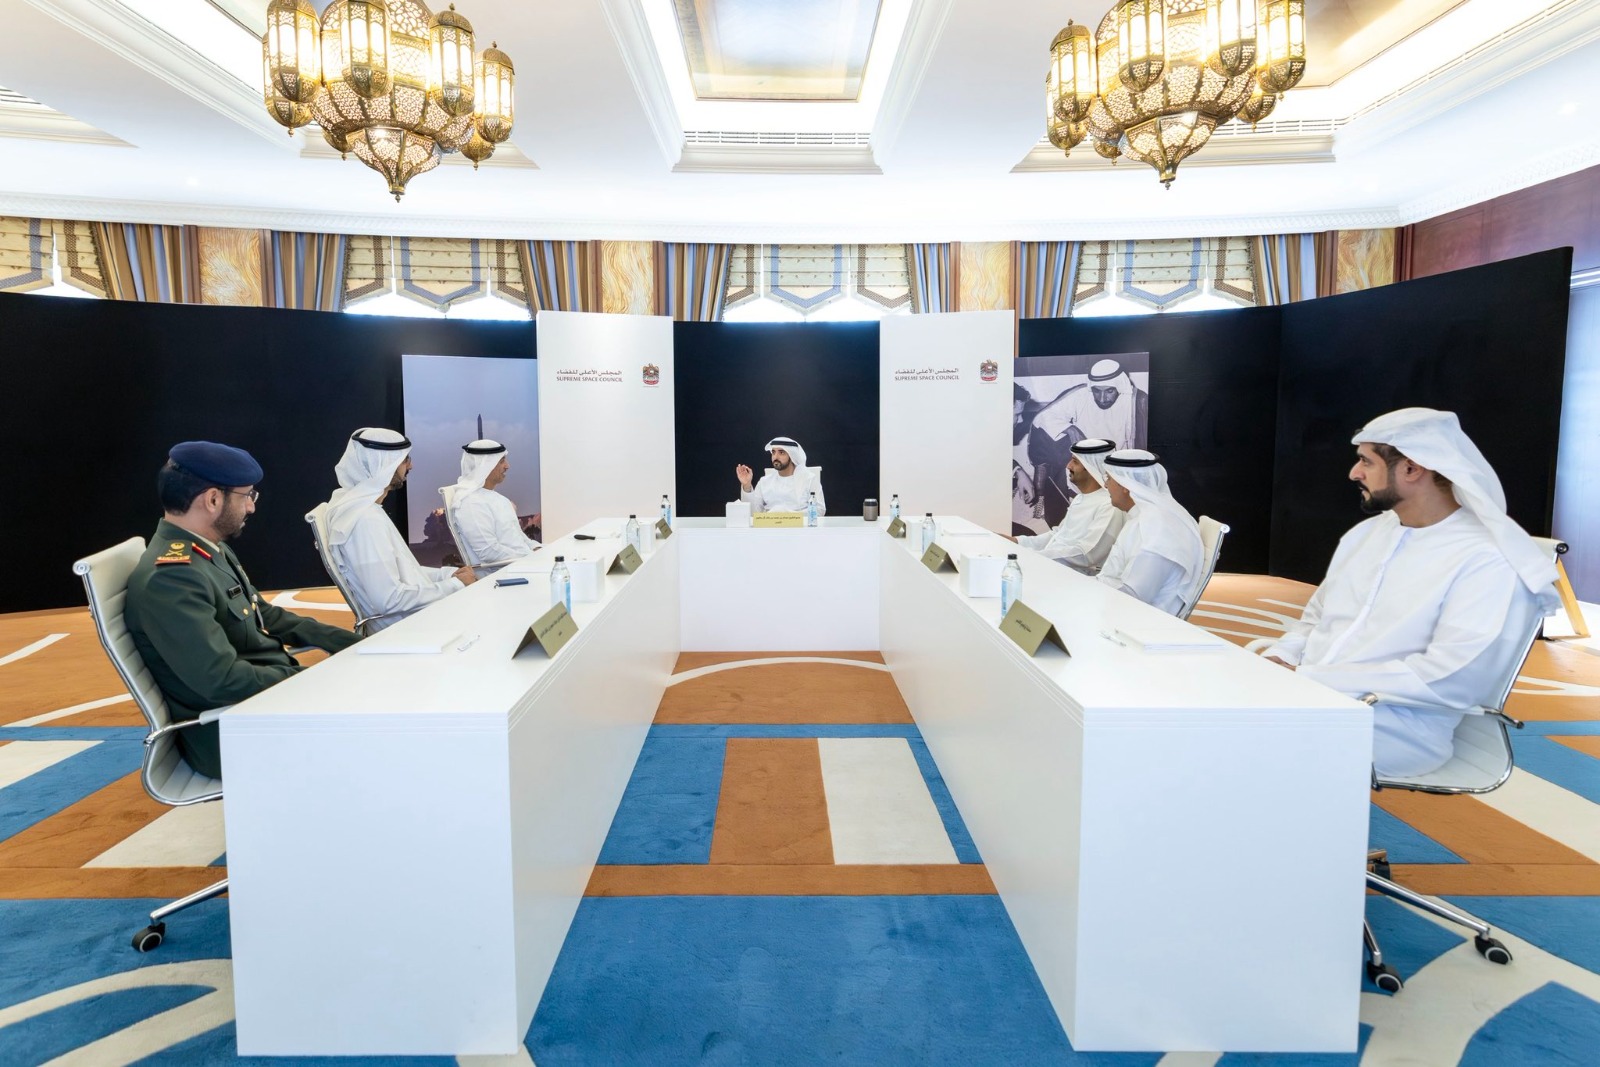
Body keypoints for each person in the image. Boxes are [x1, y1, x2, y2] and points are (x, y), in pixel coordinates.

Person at [1262, 408, 1558, 778]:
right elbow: (1316, 619)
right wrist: (1280, 657)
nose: (1354, 473)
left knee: (1230, 737)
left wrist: (1309, 678)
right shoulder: (1366, 535)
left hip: (1397, 727)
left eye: (1366, 461)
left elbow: (1451, 677)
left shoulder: (1486, 559)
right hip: (1310, 697)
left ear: (1412, 469)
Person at [124, 441, 361, 779]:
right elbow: (222, 680)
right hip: (233, 734)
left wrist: (356, 645)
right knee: (388, 728)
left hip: (259, 708)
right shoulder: (173, 578)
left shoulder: (205, 550)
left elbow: (267, 616)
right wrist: (311, 681)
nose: (251, 507)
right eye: (247, 495)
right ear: (213, 500)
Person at [325, 428, 476, 632]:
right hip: (411, 629)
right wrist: (455, 585)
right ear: (384, 464)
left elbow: (404, 573)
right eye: (405, 460)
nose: (410, 466)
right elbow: (389, 600)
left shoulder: (367, 511)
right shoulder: (365, 521)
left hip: (420, 618)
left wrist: (448, 575)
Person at [1096, 448, 1204, 615]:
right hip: (1117, 605)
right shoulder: (1151, 515)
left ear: (1125, 485)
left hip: (1137, 619)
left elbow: (1133, 595)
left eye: (1108, 478)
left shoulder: (1157, 528)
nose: (1105, 485)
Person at [1002, 438, 1126, 574]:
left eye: (1075, 462)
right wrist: (1016, 541)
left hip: (1079, 578)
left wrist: (1034, 557)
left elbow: (1087, 555)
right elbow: (1057, 535)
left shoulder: (1109, 505)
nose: (1068, 466)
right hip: (1052, 569)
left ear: (1091, 468)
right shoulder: (1080, 498)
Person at [448, 439, 541, 567]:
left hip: (523, 564)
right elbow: (489, 552)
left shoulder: (500, 499)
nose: (507, 466)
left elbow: (519, 538)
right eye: (501, 461)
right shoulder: (471, 503)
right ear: (485, 465)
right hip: (503, 572)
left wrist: (538, 549)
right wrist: (530, 558)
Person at [1033, 358, 1149, 455]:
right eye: (1096, 391)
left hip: (1117, 465)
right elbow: (1043, 417)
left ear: (1119, 386)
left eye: (1109, 391)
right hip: (1084, 463)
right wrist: (1071, 429)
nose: (1102, 399)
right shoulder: (1081, 395)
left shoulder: (1133, 400)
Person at [736, 436, 825, 515]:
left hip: (799, 527)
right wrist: (746, 485)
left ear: (792, 456)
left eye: (781, 452)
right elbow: (753, 513)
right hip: (770, 527)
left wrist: (788, 515)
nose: (775, 457)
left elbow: (820, 510)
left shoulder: (809, 479)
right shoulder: (764, 481)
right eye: (773, 452)